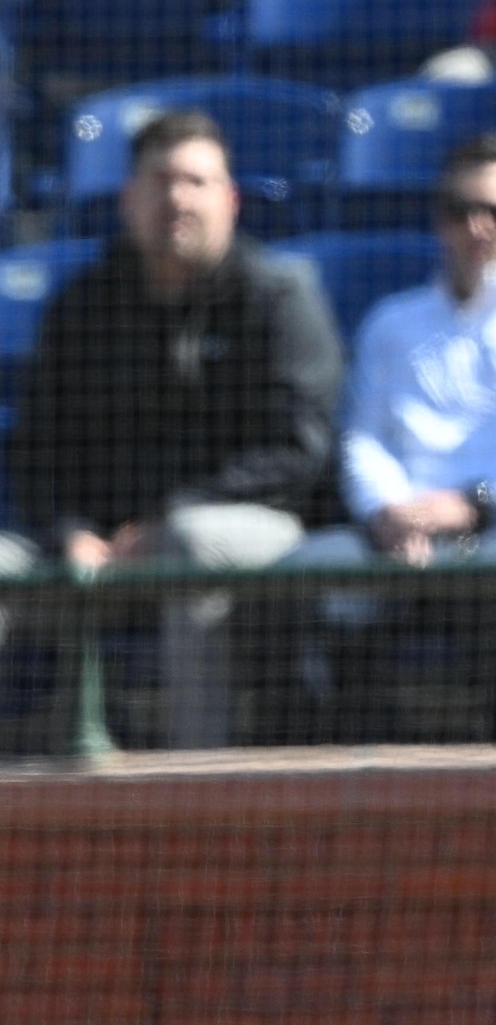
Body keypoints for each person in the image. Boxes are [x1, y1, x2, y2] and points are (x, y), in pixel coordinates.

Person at [7, 110, 345, 748]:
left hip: (245, 526)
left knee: (189, 544)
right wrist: (68, 529)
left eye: (196, 181)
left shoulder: (277, 296)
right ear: (128, 199)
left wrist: (168, 517)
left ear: (231, 199)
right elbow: (36, 451)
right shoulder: (82, 305)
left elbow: (300, 452)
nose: (178, 199)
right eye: (161, 181)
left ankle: (196, 777)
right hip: (96, 544)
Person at [289, 133, 496, 572]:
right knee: (315, 567)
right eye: (459, 210)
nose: (477, 226)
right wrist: (386, 510)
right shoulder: (392, 321)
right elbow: (364, 437)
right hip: (396, 534)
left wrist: (476, 502)